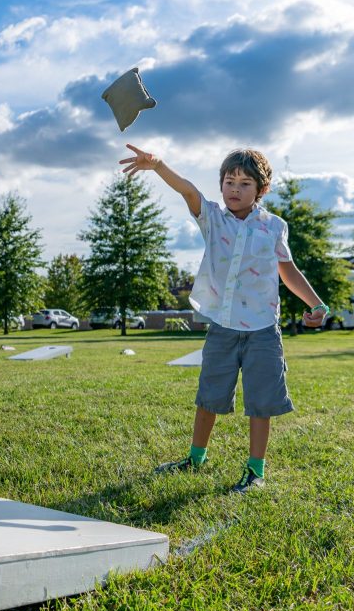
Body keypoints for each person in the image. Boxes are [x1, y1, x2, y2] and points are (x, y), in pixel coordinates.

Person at [120, 144, 328, 493]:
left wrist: (317, 304)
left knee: (261, 402)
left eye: (245, 183)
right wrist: (157, 166)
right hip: (222, 326)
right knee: (209, 397)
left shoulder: (274, 227)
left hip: (263, 328)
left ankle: (255, 471)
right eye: (229, 181)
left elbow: (287, 270)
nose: (235, 189)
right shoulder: (212, 218)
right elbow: (187, 189)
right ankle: (194, 459)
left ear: (261, 190)